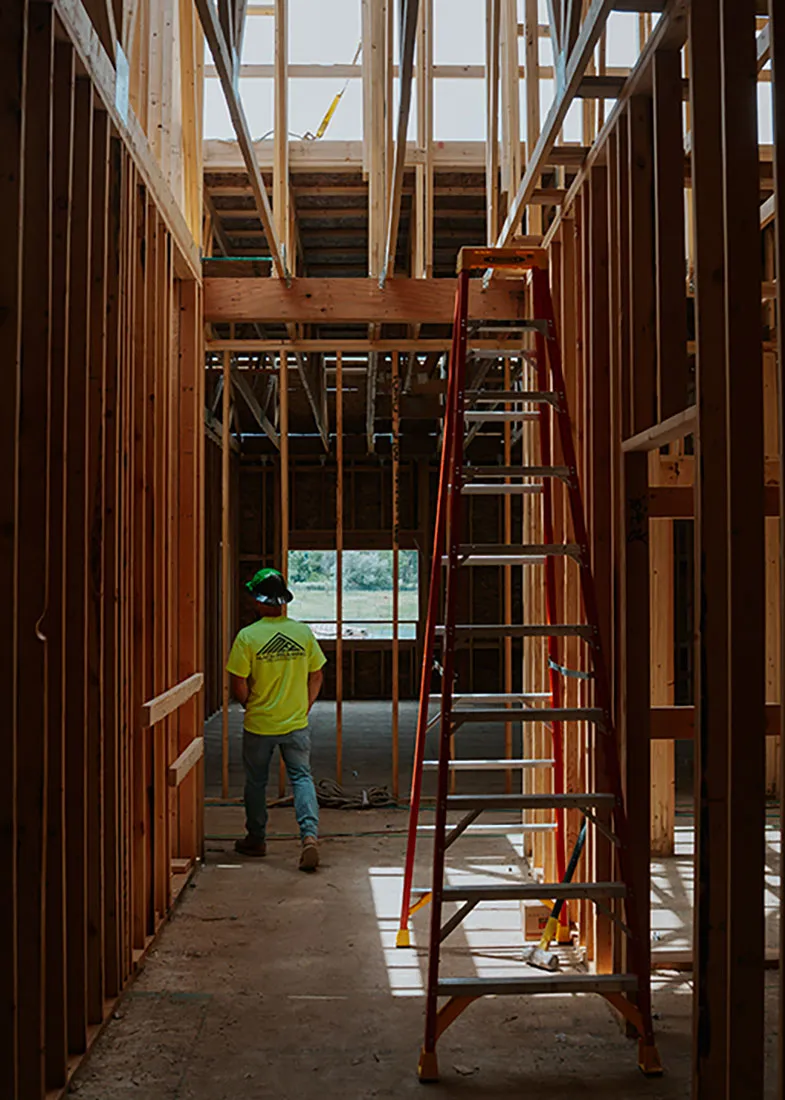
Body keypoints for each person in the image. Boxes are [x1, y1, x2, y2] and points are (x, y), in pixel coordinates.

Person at [226, 567, 326, 871]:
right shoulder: (302, 633)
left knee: (256, 782)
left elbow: (238, 682)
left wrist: (249, 704)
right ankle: (309, 836)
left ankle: (256, 839)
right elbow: (317, 674)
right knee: (302, 777)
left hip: (259, 724)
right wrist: (303, 706)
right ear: (283, 601)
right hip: (295, 724)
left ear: (257, 601)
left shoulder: (247, 637)